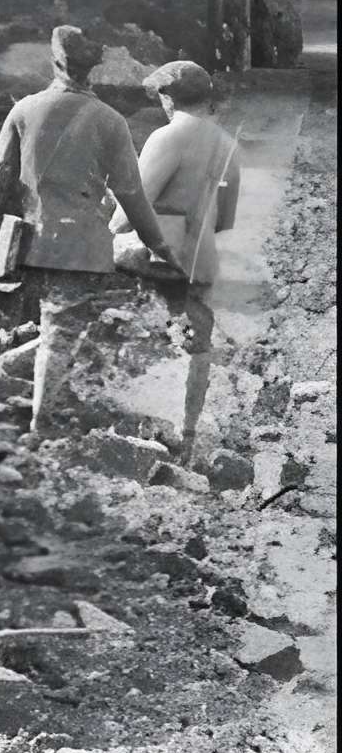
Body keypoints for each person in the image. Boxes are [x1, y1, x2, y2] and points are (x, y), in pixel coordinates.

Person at [0, 25, 180, 432]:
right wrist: (157, 245)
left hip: (22, 240)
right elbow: (131, 194)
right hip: (79, 248)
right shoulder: (111, 121)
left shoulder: (23, 110)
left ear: (54, 63)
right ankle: (41, 420)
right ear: (93, 70)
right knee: (59, 333)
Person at [113, 57, 241, 456]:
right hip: (201, 261)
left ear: (169, 97)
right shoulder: (227, 143)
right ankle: (185, 437)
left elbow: (131, 208)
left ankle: (135, 429)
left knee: (136, 334)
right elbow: (226, 219)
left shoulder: (167, 137)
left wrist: (112, 216)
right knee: (196, 345)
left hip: (160, 260)